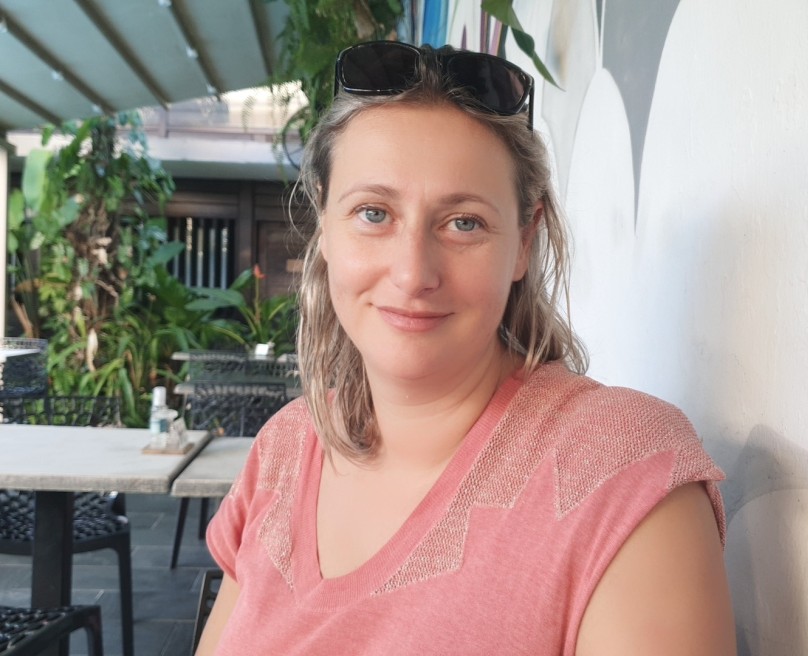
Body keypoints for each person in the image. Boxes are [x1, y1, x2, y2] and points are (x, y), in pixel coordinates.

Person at [197, 41, 736, 655]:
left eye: (464, 223)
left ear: (524, 242)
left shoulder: (618, 474)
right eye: (373, 213)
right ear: (325, 224)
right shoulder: (286, 446)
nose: (412, 274)